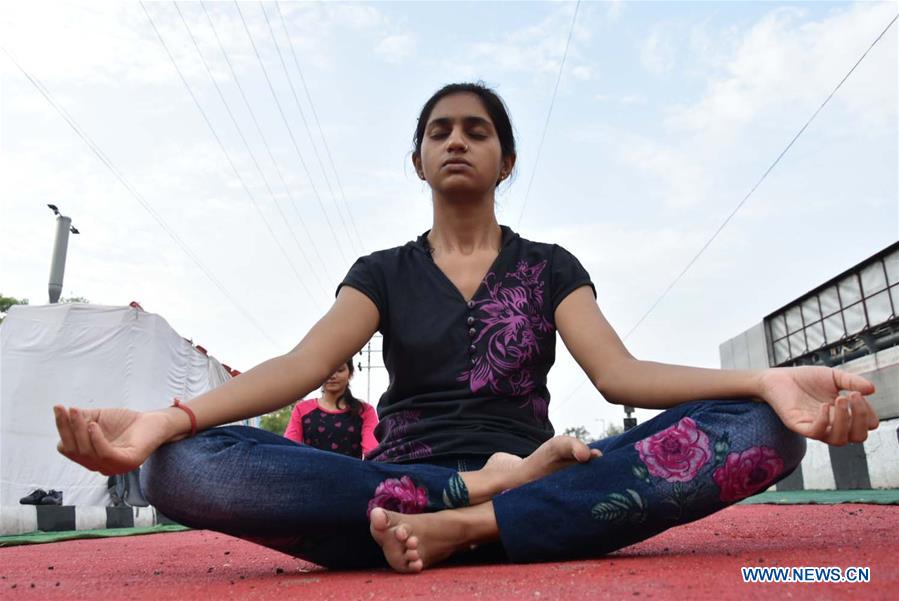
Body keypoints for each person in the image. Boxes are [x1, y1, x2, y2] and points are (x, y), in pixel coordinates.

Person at [53, 82, 879, 574]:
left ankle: (476, 521)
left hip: (538, 474)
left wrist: (764, 380)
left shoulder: (549, 264)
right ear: (417, 160)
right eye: (439, 131)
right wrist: (168, 418)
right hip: (394, 492)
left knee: (765, 430)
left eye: (475, 130)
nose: (455, 140)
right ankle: (470, 500)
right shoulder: (381, 270)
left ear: (504, 161)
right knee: (175, 466)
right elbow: (302, 364)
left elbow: (621, 376)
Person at [283, 359, 378, 459]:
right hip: (310, 473)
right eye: (328, 371)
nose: (333, 376)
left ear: (350, 373)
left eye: (340, 370)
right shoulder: (302, 409)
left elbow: (373, 452)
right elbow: (289, 450)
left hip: (351, 473)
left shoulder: (364, 410)